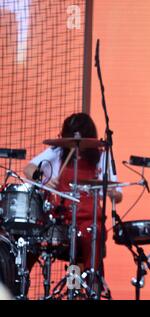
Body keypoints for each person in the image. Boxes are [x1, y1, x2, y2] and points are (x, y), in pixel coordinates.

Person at [23, 113, 122, 273]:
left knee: (92, 234)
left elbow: (118, 196)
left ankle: (90, 282)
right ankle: (19, 284)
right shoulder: (57, 152)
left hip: (89, 220)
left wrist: (110, 191)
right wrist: (45, 179)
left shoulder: (102, 156)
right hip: (60, 218)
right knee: (30, 238)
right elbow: (28, 169)